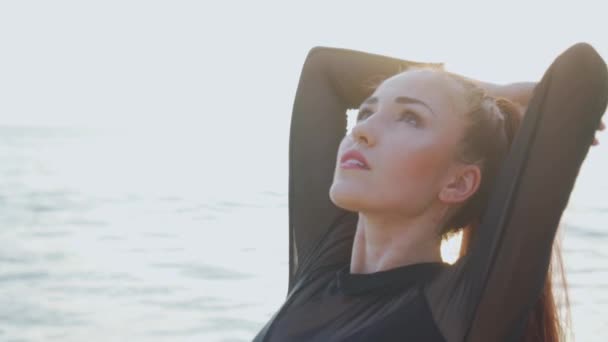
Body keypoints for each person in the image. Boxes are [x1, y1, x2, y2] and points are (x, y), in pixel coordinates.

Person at [253, 43, 608, 341]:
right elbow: (325, 69)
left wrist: (483, 100)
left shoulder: (458, 308)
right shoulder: (320, 272)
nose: (362, 131)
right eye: (366, 111)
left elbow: (581, 75)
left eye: (410, 118)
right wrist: (490, 92)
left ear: (458, 183)